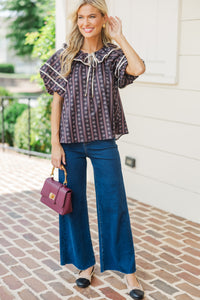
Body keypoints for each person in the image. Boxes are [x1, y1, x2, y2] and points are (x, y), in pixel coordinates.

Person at [40, 0, 145, 299]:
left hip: (102, 142)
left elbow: (137, 67)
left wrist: (120, 35)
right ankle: (84, 265)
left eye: (92, 17)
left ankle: (128, 271)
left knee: (114, 203)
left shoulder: (113, 55)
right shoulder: (65, 56)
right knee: (72, 206)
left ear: (102, 20)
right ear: (77, 21)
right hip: (70, 143)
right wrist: (54, 144)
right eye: (81, 17)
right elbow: (56, 101)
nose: (86, 23)